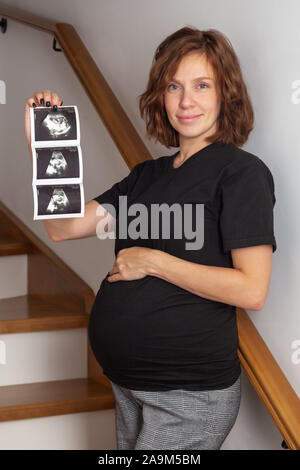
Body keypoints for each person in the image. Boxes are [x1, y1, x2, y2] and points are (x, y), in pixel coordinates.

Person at [24, 26, 277, 450]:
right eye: (174, 86)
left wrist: (151, 260)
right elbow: (62, 228)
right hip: (128, 385)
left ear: (225, 95)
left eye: (202, 85)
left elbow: (252, 289)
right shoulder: (146, 175)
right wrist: (46, 148)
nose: (186, 101)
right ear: (161, 95)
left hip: (188, 396)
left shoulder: (241, 173)